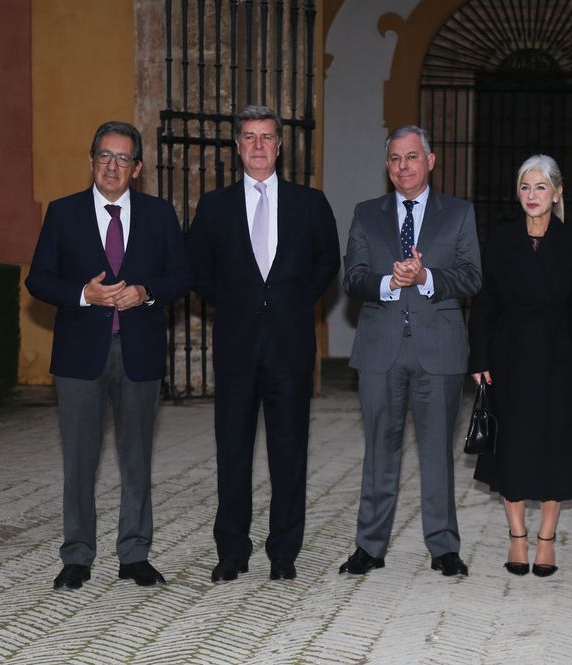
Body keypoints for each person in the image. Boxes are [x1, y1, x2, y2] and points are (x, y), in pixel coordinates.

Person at [25, 121, 191, 589]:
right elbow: (38, 279)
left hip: (140, 353)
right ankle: (77, 556)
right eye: (104, 156)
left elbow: (182, 276)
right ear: (91, 161)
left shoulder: (159, 214)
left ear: (137, 168)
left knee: (136, 459)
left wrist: (146, 292)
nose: (112, 166)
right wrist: (83, 294)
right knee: (79, 461)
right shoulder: (63, 213)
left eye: (122, 158)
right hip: (79, 358)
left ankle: (134, 554)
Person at [188, 105, 340, 583]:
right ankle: (232, 550)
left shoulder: (310, 203)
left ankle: (283, 552)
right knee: (232, 452)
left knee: (289, 453)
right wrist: (237, 304)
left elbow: (327, 262)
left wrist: (291, 301)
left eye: (266, 137)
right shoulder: (214, 206)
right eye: (249, 137)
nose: (258, 145)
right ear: (238, 147)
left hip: (290, 347)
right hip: (236, 347)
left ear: (279, 146)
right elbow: (198, 271)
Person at [339, 125, 481, 577]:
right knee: (379, 452)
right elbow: (353, 277)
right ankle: (369, 546)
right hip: (379, 351)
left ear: (430, 161)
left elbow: (472, 276)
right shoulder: (366, 213)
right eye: (396, 158)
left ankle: (444, 547)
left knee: (437, 452)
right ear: (388, 165)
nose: (404, 166)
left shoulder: (458, 213)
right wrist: (388, 281)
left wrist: (425, 277)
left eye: (412, 157)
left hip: (438, 351)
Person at [468, 154, 572, 577]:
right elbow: (484, 305)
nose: (532, 195)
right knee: (513, 449)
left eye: (541, 187)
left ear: (557, 193)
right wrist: (480, 357)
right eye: (525, 187)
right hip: (509, 357)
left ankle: (546, 541)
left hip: (558, 359)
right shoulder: (501, 239)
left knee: (554, 448)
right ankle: (517, 538)